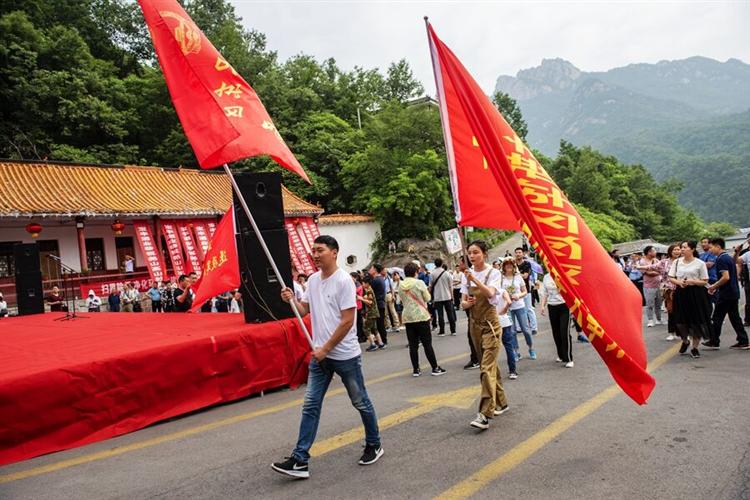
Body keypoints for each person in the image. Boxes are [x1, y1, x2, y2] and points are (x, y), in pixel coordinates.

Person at [274, 235, 382, 478]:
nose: (315, 254)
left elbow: (347, 321)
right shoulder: (313, 280)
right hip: (320, 356)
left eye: (320, 250)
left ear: (334, 252)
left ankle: (374, 443)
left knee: (360, 401)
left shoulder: (344, 281)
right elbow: (304, 309)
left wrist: (326, 348)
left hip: (345, 355)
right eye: (313, 250)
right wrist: (291, 300)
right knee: (310, 405)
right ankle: (300, 459)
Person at [461, 240, 509, 430]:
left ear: (484, 254)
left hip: (491, 325)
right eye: (470, 253)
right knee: (488, 365)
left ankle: (485, 413)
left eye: (476, 252)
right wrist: (468, 303)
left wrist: (474, 279)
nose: (472, 256)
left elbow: (490, 293)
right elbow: (462, 303)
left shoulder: (493, 273)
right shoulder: (465, 275)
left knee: (486, 368)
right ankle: (502, 402)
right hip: (474, 325)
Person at [400, 262, 447, 377]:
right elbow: (427, 298)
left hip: (408, 317)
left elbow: (400, 300)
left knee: (413, 345)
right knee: (427, 344)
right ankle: (435, 368)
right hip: (421, 316)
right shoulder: (419, 283)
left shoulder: (401, 285)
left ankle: (416, 370)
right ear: (416, 272)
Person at [668, 241, 712, 358]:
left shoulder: (700, 263)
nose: (682, 249)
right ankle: (685, 340)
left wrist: (692, 281)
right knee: (680, 321)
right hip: (681, 293)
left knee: (696, 321)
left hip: (696, 294)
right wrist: (679, 282)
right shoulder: (677, 262)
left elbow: (705, 281)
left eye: (685, 247)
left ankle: (695, 347)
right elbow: (671, 277)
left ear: (692, 249)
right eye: (681, 247)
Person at [704, 238, 749, 349]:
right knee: (734, 317)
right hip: (733, 292)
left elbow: (725, 277)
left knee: (717, 317)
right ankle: (743, 340)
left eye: (711, 247)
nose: (710, 250)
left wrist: (714, 286)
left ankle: (714, 340)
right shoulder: (727, 257)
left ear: (718, 247)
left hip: (726, 293)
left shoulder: (721, 259)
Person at [500, 258, 535, 360]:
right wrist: (506, 298)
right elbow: (499, 292)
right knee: (512, 331)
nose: (509, 266)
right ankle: (516, 351)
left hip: (519, 306)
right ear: (504, 267)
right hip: (507, 307)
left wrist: (518, 296)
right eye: (506, 264)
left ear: (514, 266)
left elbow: (525, 291)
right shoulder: (501, 278)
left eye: (511, 264)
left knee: (525, 329)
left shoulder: (518, 277)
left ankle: (531, 348)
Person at [540, 273, 574, 367]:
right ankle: (561, 355)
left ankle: (569, 359)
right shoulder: (546, 277)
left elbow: (570, 290)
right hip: (552, 306)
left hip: (564, 306)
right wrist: (542, 306)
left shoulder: (562, 274)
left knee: (564, 332)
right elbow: (545, 293)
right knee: (556, 332)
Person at [514, 248, 538, 335]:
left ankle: (534, 328)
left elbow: (525, 276)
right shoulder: (513, 264)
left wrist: (516, 273)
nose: (518, 254)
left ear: (523, 254)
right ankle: (519, 327)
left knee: (529, 309)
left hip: (526, 290)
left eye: (519, 252)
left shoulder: (527, 264)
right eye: (516, 253)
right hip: (516, 291)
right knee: (517, 309)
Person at [430, 258, 456, 337]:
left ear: (435, 264)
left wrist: (431, 295)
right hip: (447, 296)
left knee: (440, 314)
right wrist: (452, 296)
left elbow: (430, 286)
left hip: (437, 297)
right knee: (450, 313)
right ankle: (453, 330)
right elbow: (450, 286)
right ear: (442, 264)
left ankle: (442, 331)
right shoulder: (447, 273)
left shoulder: (432, 274)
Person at [638, 245, 663, 327]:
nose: (656, 252)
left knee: (658, 304)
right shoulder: (642, 261)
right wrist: (657, 272)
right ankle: (650, 320)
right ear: (649, 252)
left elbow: (661, 269)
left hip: (658, 285)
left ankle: (659, 319)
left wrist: (656, 271)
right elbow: (649, 273)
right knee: (649, 304)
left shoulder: (656, 260)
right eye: (654, 251)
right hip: (649, 286)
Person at [661, 244, 681, 341]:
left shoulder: (683, 261)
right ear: (670, 251)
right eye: (675, 250)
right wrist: (640, 266)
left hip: (681, 289)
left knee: (681, 312)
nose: (677, 251)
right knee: (671, 311)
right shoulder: (664, 262)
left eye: (678, 249)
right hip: (669, 291)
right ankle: (671, 333)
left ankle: (682, 333)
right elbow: (652, 266)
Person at [361, 276, 384, 351]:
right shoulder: (370, 290)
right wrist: (365, 298)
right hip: (374, 312)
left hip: (371, 312)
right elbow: (370, 299)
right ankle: (380, 343)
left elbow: (370, 302)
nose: (362, 285)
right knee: (374, 328)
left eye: (363, 283)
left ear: (367, 283)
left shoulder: (369, 290)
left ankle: (373, 344)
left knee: (366, 328)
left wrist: (361, 299)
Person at [368, 264, 388, 347]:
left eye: (371, 268)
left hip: (378, 304)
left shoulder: (376, 280)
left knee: (379, 324)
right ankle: (381, 340)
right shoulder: (380, 279)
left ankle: (383, 341)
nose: (370, 269)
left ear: (375, 270)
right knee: (380, 323)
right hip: (381, 303)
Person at [382, 267, 400, 332]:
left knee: (393, 311)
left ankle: (397, 325)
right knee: (385, 312)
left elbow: (392, 288)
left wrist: (393, 296)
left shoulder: (389, 279)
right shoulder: (381, 278)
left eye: (385, 270)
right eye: (383, 270)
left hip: (389, 294)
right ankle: (388, 326)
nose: (384, 271)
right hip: (383, 295)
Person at [352, 272, 366, 343]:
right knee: (358, 322)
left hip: (358, 306)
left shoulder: (358, 285)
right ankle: (360, 336)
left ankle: (361, 336)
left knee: (359, 322)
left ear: (355, 278)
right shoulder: (354, 284)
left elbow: (354, 293)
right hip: (356, 305)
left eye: (351, 277)